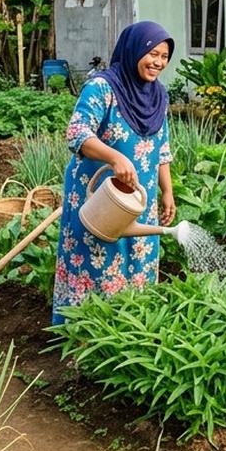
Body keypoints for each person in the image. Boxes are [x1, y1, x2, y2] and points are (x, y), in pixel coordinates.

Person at [52, 21, 176, 325]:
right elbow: (77, 133)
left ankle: (129, 330)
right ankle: (83, 333)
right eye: (153, 53)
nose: (158, 62)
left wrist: (167, 191)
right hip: (97, 195)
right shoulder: (103, 87)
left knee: (138, 255)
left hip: (139, 198)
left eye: (164, 56)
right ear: (135, 49)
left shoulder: (158, 96)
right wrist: (114, 156)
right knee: (95, 258)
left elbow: (162, 148)